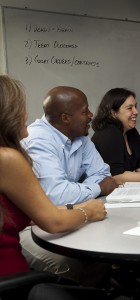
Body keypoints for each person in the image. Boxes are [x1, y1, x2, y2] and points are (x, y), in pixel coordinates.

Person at [0, 75, 107, 278]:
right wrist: (88, 212)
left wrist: (77, 206)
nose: (26, 113)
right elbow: (53, 222)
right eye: (19, 107)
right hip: (11, 276)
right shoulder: (7, 159)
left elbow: (31, 212)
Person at [20, 85, 118, 286]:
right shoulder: (38, 139)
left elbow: (103, 174)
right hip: (28, 226)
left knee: (105, 247)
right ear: (66, 118)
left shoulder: (80, 136)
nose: (91, 115)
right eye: (84, 111)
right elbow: (57, 195)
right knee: (67, 262)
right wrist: (98, 188)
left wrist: (80, 191)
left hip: (66, 213)